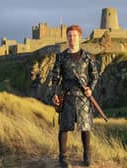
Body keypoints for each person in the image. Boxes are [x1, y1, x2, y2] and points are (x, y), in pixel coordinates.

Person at [51, 25, 98, 167]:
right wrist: (55, 94)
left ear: (80, 37)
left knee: (85, 127)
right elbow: (55, 77)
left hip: (83, 97)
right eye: (69, 35)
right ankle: (63, 158)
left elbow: (95, 76)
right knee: (64, 128)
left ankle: (87, 157)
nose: (72, 38)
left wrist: (91, 89)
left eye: (74, 35)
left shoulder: (87, 57)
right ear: (67, 38)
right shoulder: (61, 57)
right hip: (67, 96)